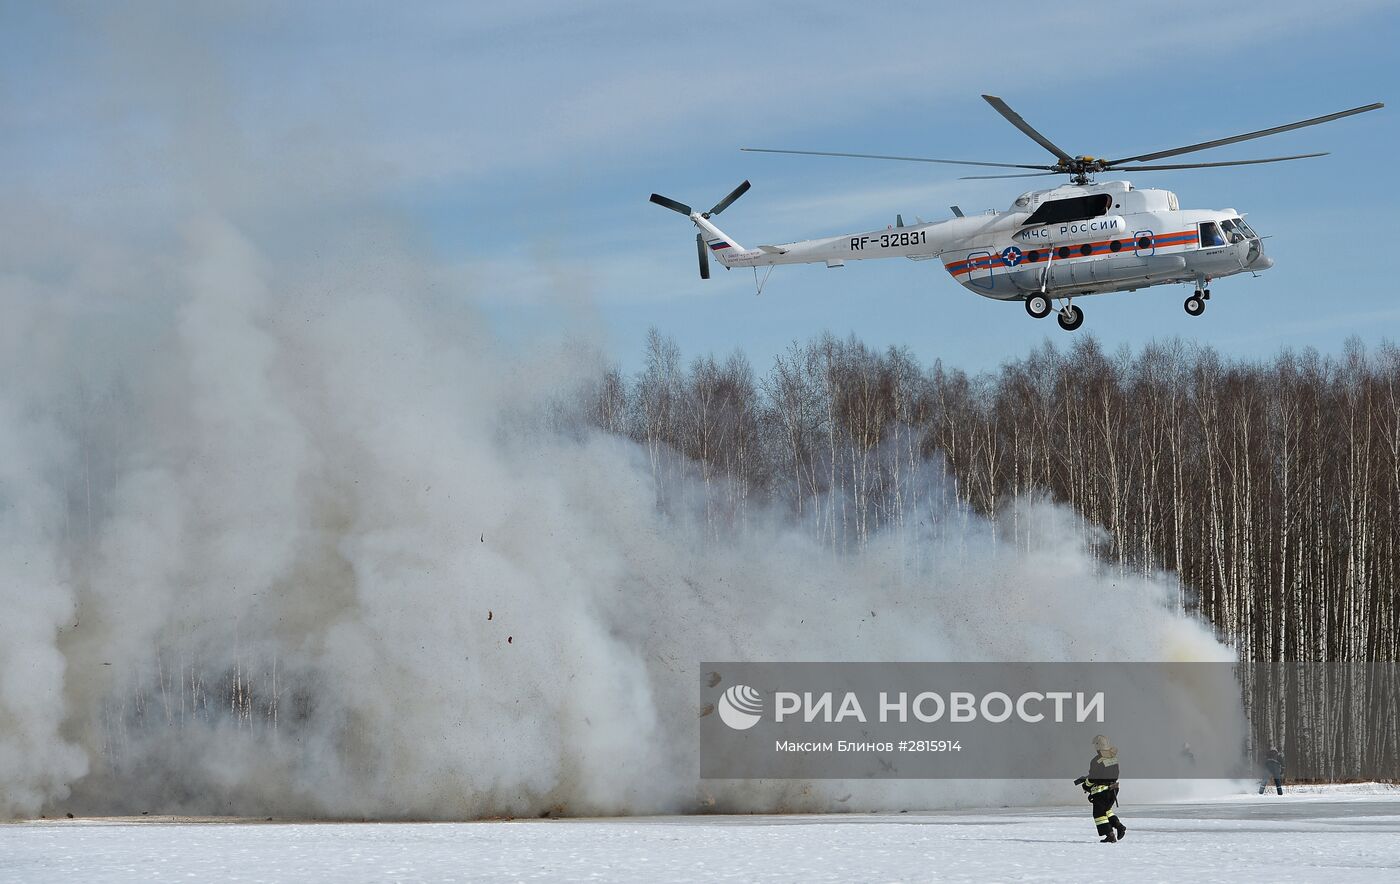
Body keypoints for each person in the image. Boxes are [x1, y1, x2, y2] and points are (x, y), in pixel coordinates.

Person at [1074, 734, 1127, 843]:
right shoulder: (1113, 758)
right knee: (1106, 810)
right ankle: (1119, 826)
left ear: (1098, 746)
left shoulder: (1097, 760)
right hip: (1113, 789)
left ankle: (1110, 835)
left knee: (1099, 814)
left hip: (1101, 791)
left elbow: (1093, 778)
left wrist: (1086, 785)